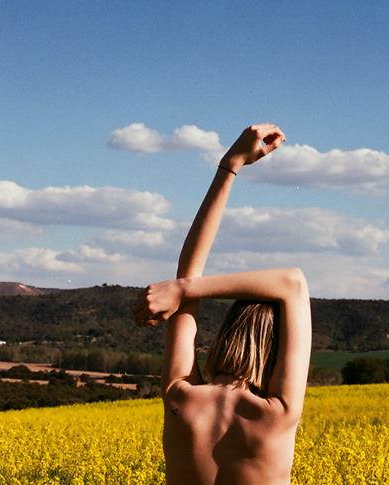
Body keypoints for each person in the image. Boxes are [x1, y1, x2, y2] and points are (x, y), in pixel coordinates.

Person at [132, 124, 312, 484]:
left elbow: (189, 272)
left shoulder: (179, 399)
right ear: (277, 349)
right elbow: (293, 284)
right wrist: (183, 289)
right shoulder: (276, 416)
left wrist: (231, 164)